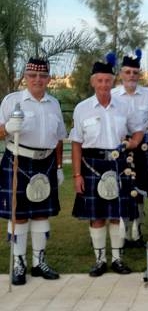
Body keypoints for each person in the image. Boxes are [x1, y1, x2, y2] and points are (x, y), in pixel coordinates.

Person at [69, 54, 144, 277]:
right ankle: (100, 260)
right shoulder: (82, 108)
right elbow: (76, 144)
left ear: (113, 82)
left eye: (107, 80)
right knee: (97, 216)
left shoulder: (124, 106)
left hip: (118, 164)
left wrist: (134, 142)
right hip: (91, 165)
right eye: (99, 80)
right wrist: (76, 175)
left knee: (116, 214)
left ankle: (118, 259)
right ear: (93, 82)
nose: (104, 85)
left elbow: (139, 129)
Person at [0, 58, 66, 285]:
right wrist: (7, 128)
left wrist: (58, 167)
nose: (37, 80)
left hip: (46, 162)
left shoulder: (54, 103)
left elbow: (58, 139)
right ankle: (19, 263)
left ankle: (39, 262)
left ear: (49, 78)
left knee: (41, 214)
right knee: (18, 215)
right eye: (32, 75)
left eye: (42, 76)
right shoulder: (12, 101)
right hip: (18, 160)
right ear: (25, 76)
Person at [111, 49, 148, 248]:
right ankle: (122, 232)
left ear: (139, 74)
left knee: (139, 190)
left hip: (142, 148)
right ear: (121, 74)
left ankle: (137, 231)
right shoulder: (113, 95)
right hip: (119, 148)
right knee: (120, 189)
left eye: (135, 72)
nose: (131, 76)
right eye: (128, 72)